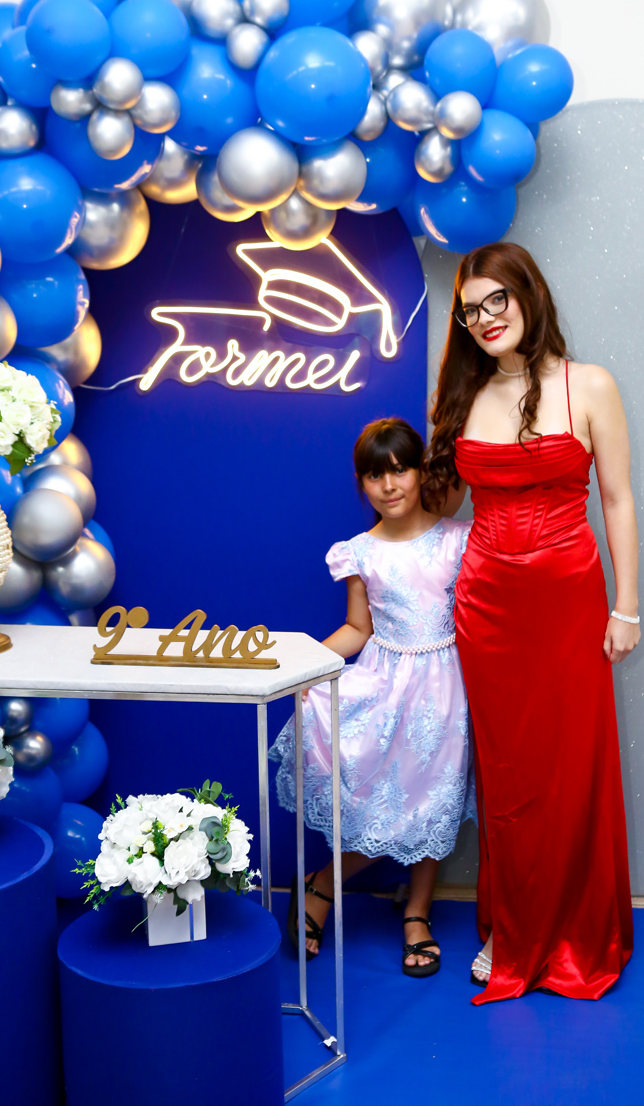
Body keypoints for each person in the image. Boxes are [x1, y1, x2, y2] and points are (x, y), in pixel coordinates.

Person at [426, 242, 638, 1002]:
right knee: (508, 773)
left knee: (572, 763)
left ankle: (576, 928)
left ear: (529, 297)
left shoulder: (590, 385)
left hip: (569, 601)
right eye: (470, 310)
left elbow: (617, 499)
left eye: (498, 300)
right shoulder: (463, 394)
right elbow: (444, 502)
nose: (486, 318)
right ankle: (513, 928)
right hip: (487, 608)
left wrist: (626, 606)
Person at [270, 417, 474, 977]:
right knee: (389, 806)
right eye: (374, 475)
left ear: (420, 471)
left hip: (447, 690)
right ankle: (322, 883)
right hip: (387, 688)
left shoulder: (457, 538)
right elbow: (358, 628)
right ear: (361, 483)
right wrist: (306, 664)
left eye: (400, 470)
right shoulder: (359, 551)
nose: (389, 485)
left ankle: (417, 913)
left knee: (436, 804)